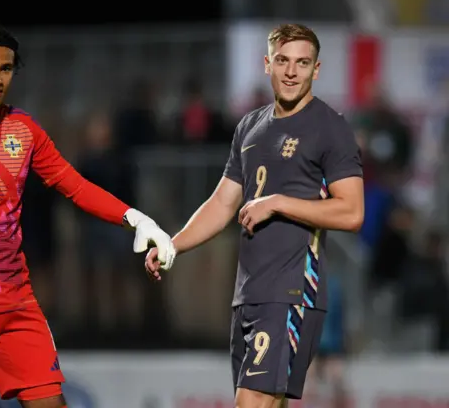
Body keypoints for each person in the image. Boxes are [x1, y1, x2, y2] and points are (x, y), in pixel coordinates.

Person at [0, 23, 175, 408]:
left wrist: (136, 218)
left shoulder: (23, 129)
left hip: (17, 302)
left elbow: (73, 184)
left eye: (5, 69)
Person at [145, 23, 364, 408]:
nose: (292, 71)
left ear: (316, 69)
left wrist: (278, 202)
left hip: (293, 289)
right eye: (283, 61)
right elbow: (222, 204)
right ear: (267, 64)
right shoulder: (249, 126)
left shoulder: (330, 127)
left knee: (252, 403)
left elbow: (352, 211)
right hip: (249, 293)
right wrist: (172, 244)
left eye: (302, 62)